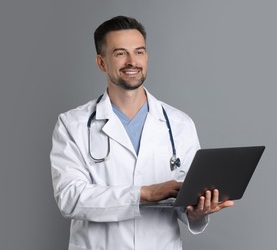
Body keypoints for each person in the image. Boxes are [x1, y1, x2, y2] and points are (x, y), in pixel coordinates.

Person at [50, 15, 234, 250]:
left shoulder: (179, 123)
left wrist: (197, 212)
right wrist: (145, 193)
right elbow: (70, 199)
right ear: (101, 62)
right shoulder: (72, 124)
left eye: (139, 52)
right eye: (120, 53)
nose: (132, 61)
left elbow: (185, 201)